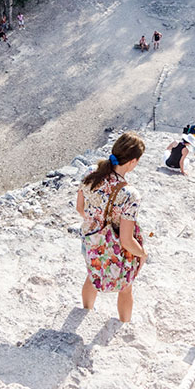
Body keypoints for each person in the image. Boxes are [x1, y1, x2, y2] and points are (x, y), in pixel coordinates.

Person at [75, 133, 148, 322]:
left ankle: (86, 312)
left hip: (90, 238)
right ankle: (124, 324)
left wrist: (95, 221)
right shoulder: (130, 194)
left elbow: (79, 208)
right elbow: (126, 239)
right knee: (126, 287)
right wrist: (142, 254)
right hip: (114, 247)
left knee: (92, 274)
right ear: (132, 162)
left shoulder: (91, 171)